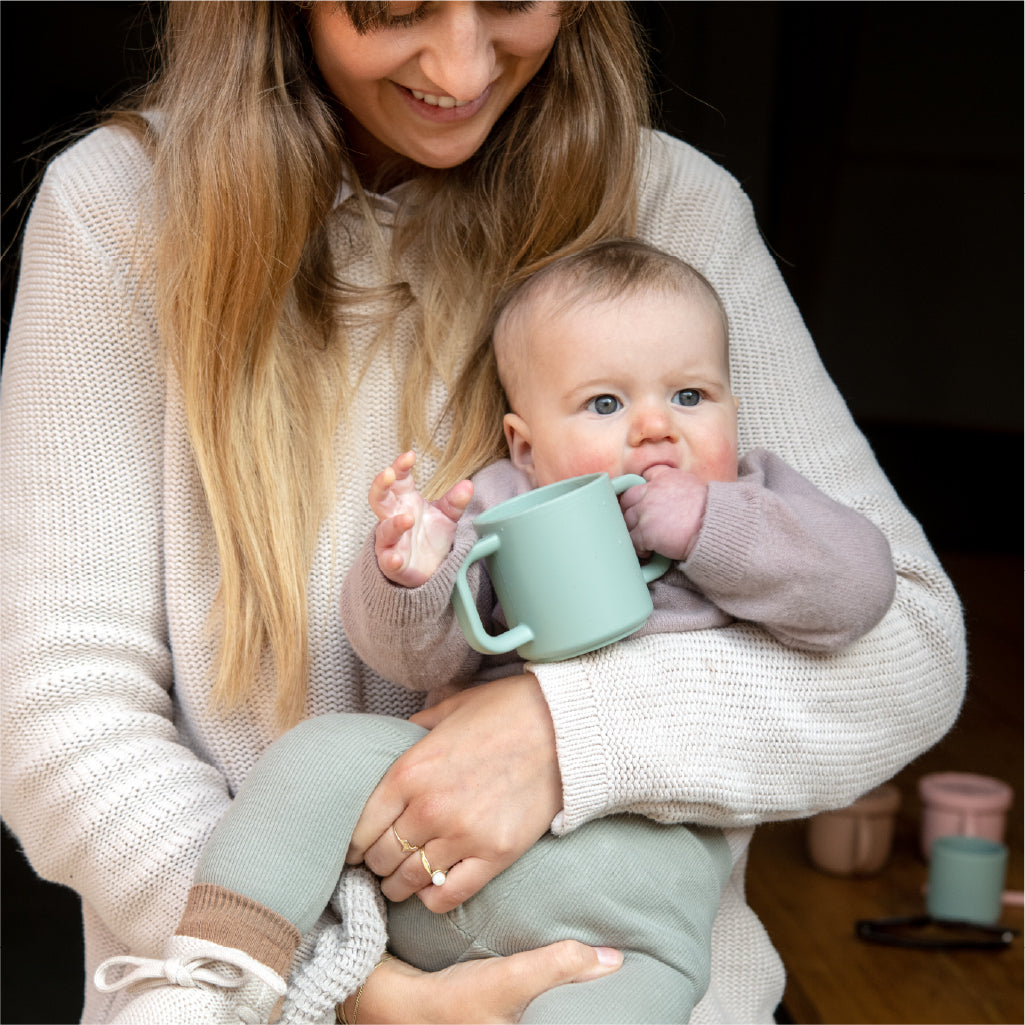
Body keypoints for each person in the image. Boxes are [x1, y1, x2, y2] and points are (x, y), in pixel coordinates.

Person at [0, 3, 965, 1024]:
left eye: (510, 0)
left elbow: (902, 638)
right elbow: (59, 709)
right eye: (393, 6)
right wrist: (348, 990)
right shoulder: (120, 211)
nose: (461, 67)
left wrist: (563, 732)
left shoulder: (670, 209)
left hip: (623, 972)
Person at [92, 238, 899, 1024]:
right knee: (317, 756)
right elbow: (414, 654)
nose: (657, 429)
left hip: (630, 919)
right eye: (605, 403)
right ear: (526, 443)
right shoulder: (503, 501)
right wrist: (413, 575)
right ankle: (217, 977)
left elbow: (859, 589)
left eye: (690, 397)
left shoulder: (759, 501)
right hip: (423, 865)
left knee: (638, 997)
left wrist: (711, 525)